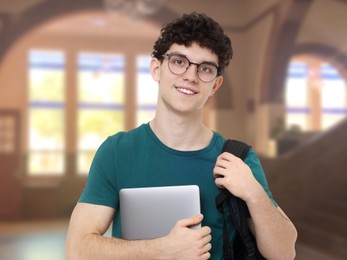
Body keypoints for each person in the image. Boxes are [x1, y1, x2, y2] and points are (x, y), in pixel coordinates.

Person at [66, 12, 297, 260]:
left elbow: (285, 253)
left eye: (205, 69)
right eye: (179, 62)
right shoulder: (116, 151)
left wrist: (254, 193)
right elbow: (77, 250)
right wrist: (163, 249)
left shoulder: (237, 158)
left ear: (215, 86)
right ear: (157, 68)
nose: (190, 76)